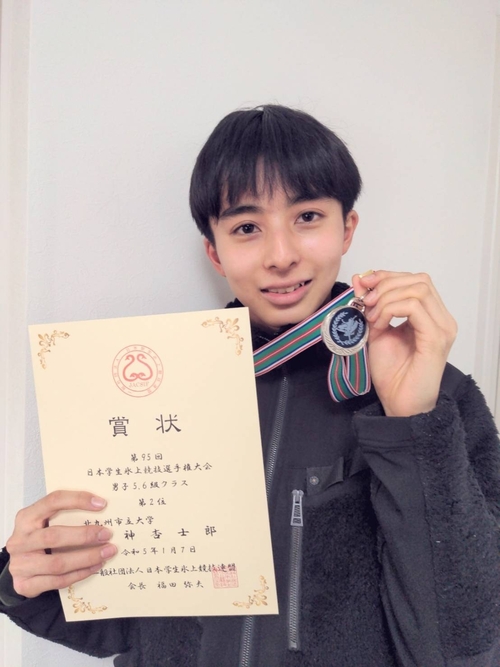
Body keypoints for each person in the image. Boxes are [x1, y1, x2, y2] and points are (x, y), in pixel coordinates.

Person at [1, 104, 500, 667]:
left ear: (346, 229)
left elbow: (464, 641)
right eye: (246, 228)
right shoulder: (155, 386)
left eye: (307, 216)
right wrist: (27, 578)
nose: (281, 256)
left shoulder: (438, 397)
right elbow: (130, 625)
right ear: (214, 252)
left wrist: (412, 424)